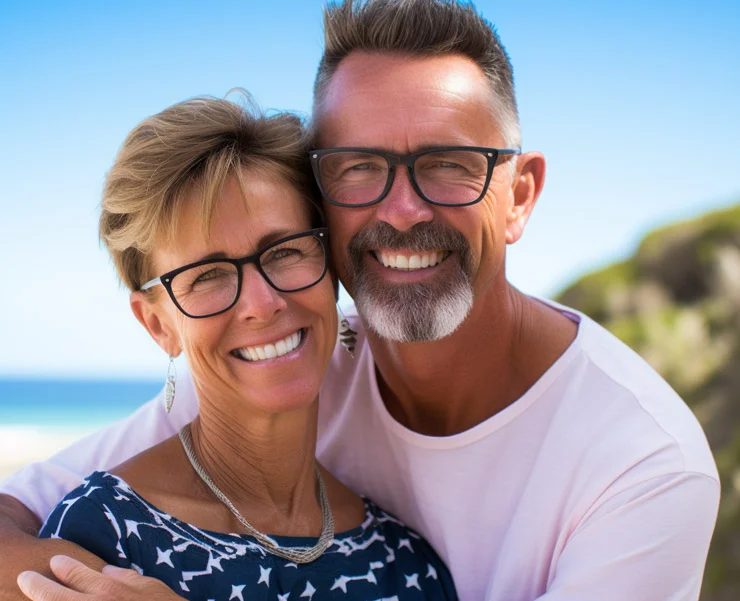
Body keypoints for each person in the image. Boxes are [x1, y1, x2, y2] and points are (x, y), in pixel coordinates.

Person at [3, 1, 720, 601]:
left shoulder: (643, 463)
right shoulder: (287, 361)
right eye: (359, 169)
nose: (402, 210)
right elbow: (17, 512)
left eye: (447, 165)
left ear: (519, 197)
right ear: (325, 205)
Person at [20, 94, 458, 600]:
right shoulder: (100, 539)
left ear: (332, 270)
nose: (262, 303)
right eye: (206, 275)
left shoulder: (404, 565)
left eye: (286, 250)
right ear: (158, 325)